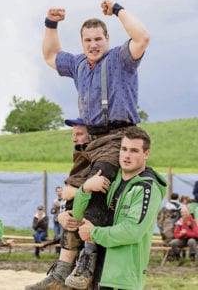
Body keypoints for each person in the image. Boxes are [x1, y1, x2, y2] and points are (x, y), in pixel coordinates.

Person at [42, 0, 150, 289]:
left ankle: (88, 262)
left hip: (118, 135)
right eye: (88, 40)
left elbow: (142, 37)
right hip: (91, 140)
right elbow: (50, 55)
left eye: (98, 39)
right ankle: (63, 268)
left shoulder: (119, 59)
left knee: (97, 186)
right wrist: (51, 23)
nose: (93, 44)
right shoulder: (78, 63)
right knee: (71, 191)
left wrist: (117, 9)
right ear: (82, 42)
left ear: (107, 39)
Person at [71, 127, 167, 290]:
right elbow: (79, 214)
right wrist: (85, 189)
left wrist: (93, 233)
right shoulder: (110, 180)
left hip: (123, 278)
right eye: (124, 149)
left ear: (146, 154)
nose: (127, 155)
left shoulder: (147, 188)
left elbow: (132, 231)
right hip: (97, 271)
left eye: (134, 151)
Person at [25, 118, 90, 289]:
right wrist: (61, 215)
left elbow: (105, 189)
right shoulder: (80, 156)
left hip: (91, 227)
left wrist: (77, 192)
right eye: (73, 134)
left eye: (79, 134)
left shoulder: (101, 157)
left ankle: (61, 274)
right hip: (74, 223)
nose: (74, 139)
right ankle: (60, 272)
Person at [50, 186, 65, 253]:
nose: (59, 192)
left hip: (62, 221)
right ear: (56, 192)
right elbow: (52, 212)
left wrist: (59, 206)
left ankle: (61, 250)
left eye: (60, 191)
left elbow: (66, 210)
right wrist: (54, 208)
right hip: (56, 221)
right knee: (56, 235)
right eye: (58, 191)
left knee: (61, 235)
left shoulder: (65, 200)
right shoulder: (55, 201)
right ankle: (57, 250)